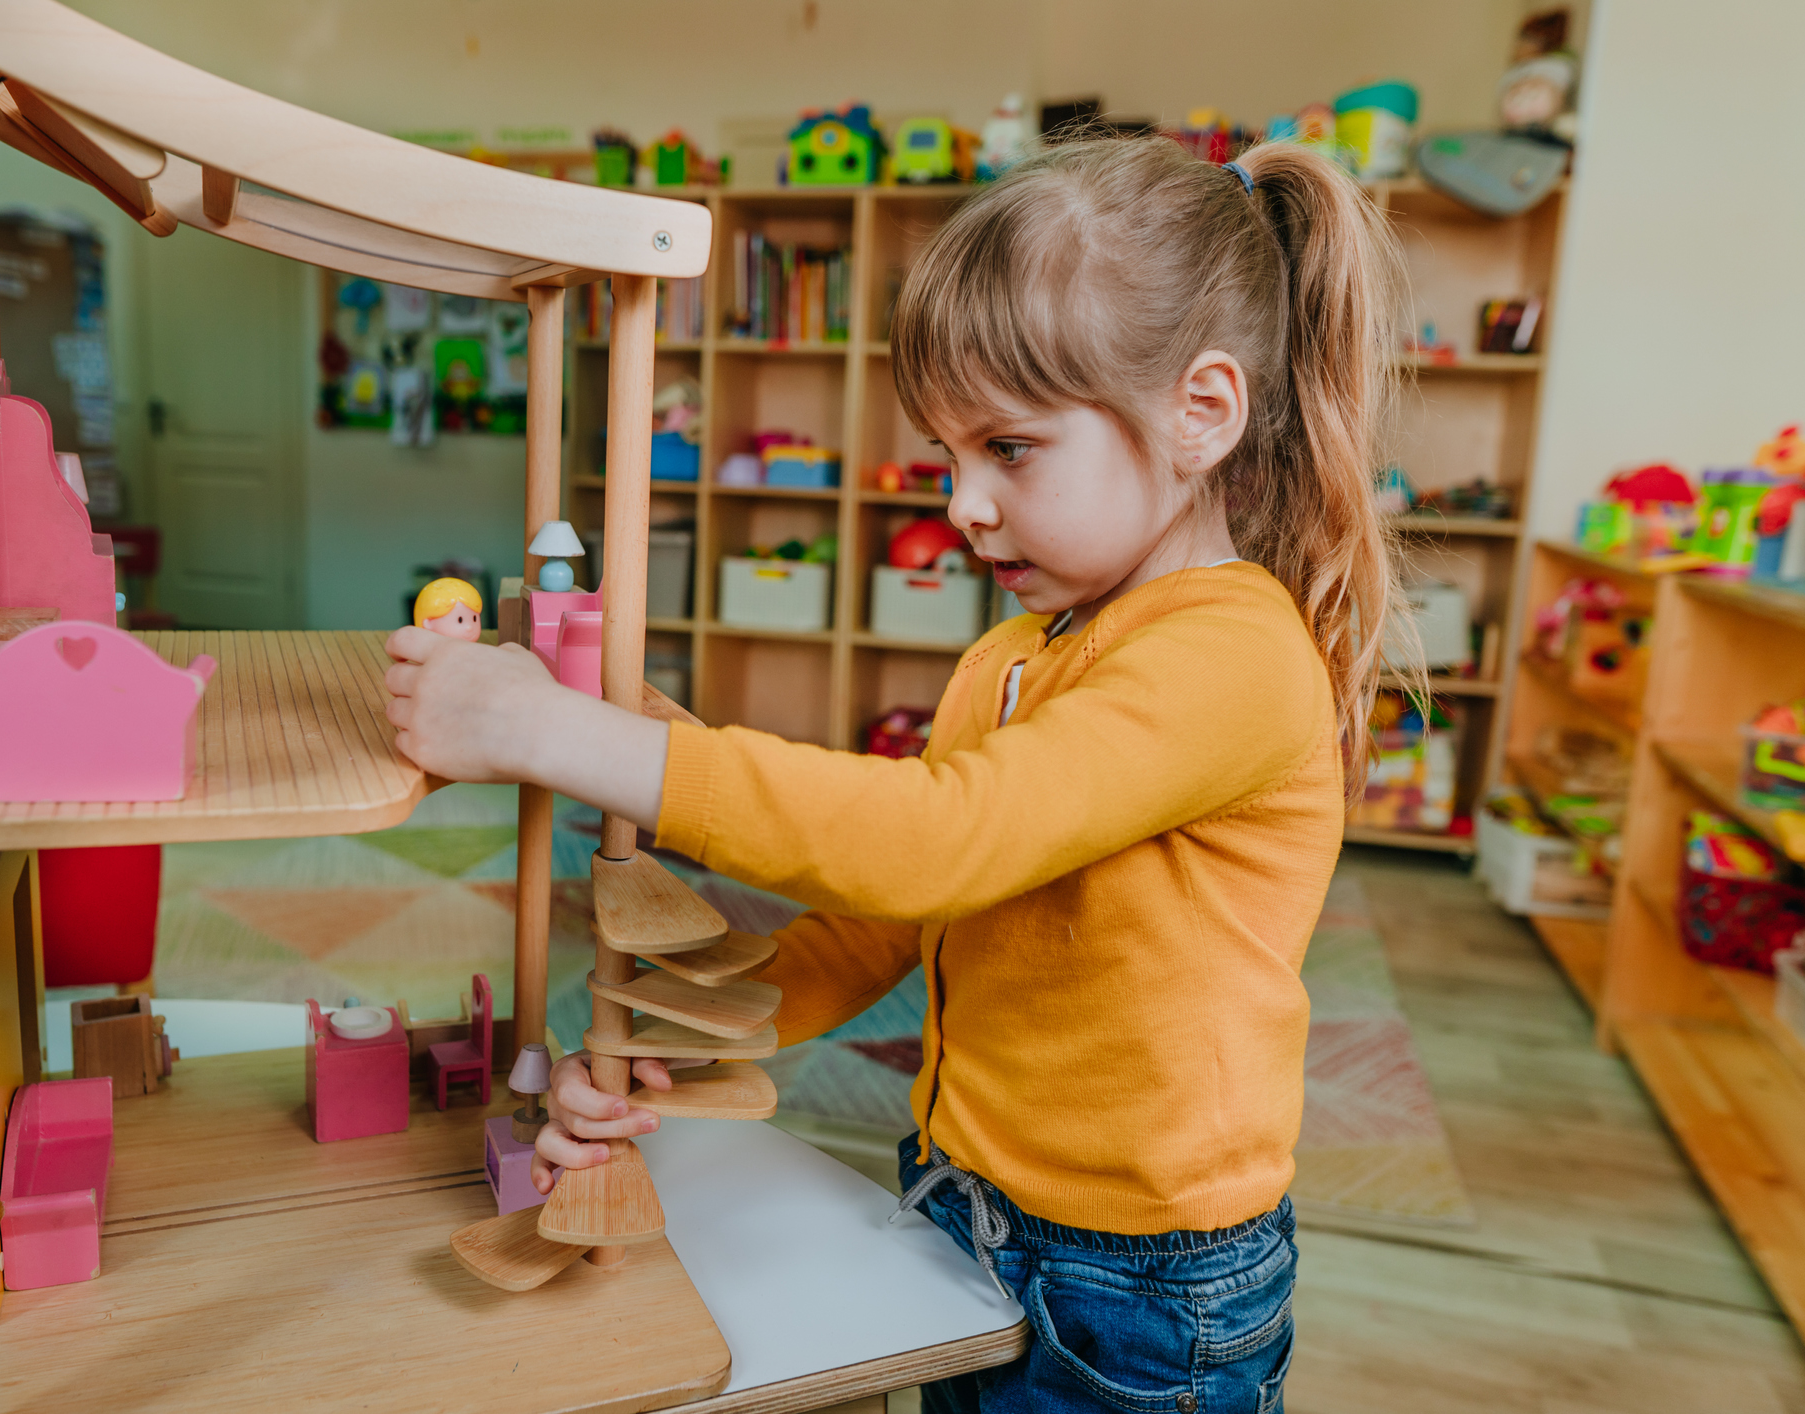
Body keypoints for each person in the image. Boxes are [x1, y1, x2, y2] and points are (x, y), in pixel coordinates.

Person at [383, 136, 1409, 1414]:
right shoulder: (1010, 658)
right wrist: (675, 1052)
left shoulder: (1235, 656)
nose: (966, 503)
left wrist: (562, 736)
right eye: (948, 456)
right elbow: (889, 919)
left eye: (1012, 450)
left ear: (1201, 412)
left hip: (1145, 1285)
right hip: (966, 1198)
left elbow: (933, 842)